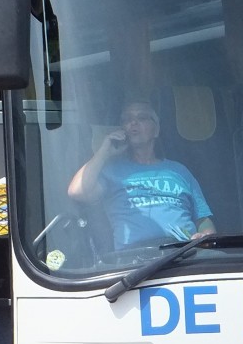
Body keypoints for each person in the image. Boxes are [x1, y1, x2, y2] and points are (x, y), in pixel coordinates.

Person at [68, 99, 215, 250]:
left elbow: (203, 218)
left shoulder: (179, 170)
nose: (133, 123)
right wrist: (103, 152)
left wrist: (205, 237)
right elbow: (77, 192)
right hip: (134, 260)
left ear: (156, 129)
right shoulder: (111, 170)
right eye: (127, 119)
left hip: (183, 253)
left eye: (142, 118)